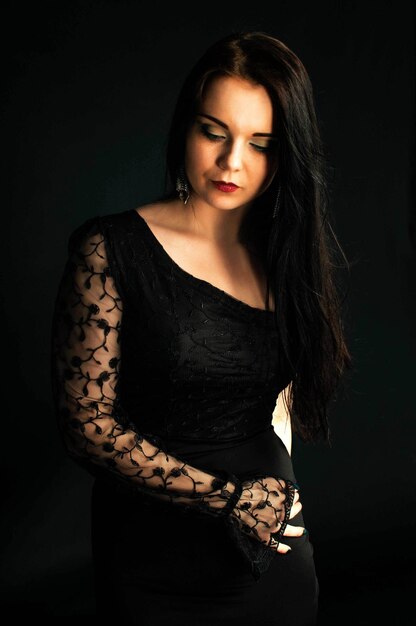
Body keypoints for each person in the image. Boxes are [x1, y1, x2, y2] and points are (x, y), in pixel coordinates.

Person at [50, 31, 352, 626]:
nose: (231, 161)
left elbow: (276, 400)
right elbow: (87, 425)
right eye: (214, 132)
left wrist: (281, 498)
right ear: (185, 128)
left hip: (267, 558)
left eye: (260, 144)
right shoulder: (110, 248)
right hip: (149, 555)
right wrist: (232, 499)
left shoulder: (283, 255)